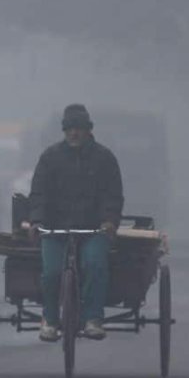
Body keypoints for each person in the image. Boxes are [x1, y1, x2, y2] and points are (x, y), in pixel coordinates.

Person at [28, 104, 124, 342]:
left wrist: (110, 220)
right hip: (55, 228)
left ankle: (93, 318)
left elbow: (113, 194)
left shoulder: (104, 158)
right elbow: (38, 193)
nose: (74, 133)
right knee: (51, 273)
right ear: (64, 131)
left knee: (95, 265)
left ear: (88, 130)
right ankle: (50, 319)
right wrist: (37, 220)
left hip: (93, 229)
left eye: (78, 129)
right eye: (69, 129)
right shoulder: (50, 158)